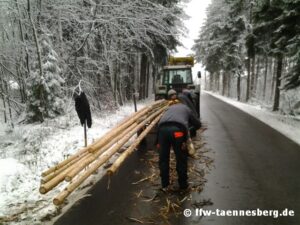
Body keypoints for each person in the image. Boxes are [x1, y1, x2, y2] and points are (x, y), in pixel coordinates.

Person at [157, 101, 202, 192]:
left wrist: (157, 141)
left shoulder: (169, 108)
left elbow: (160, 121)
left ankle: (165, 185)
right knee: (181, 158)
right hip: (177, 131)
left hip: (162, 130)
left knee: (163, 159)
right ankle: (183, 185)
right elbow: (198, 124)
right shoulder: (186, 108)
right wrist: (188, 130)